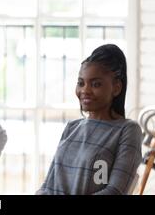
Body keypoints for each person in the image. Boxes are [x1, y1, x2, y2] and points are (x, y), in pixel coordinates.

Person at [36, 44, 142, 195]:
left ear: (116, 88)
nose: (85, 90)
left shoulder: (128, 130)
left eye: (96, 84)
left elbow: (114, 191)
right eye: (81, 83)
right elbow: (48, 185)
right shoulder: (71, 128)